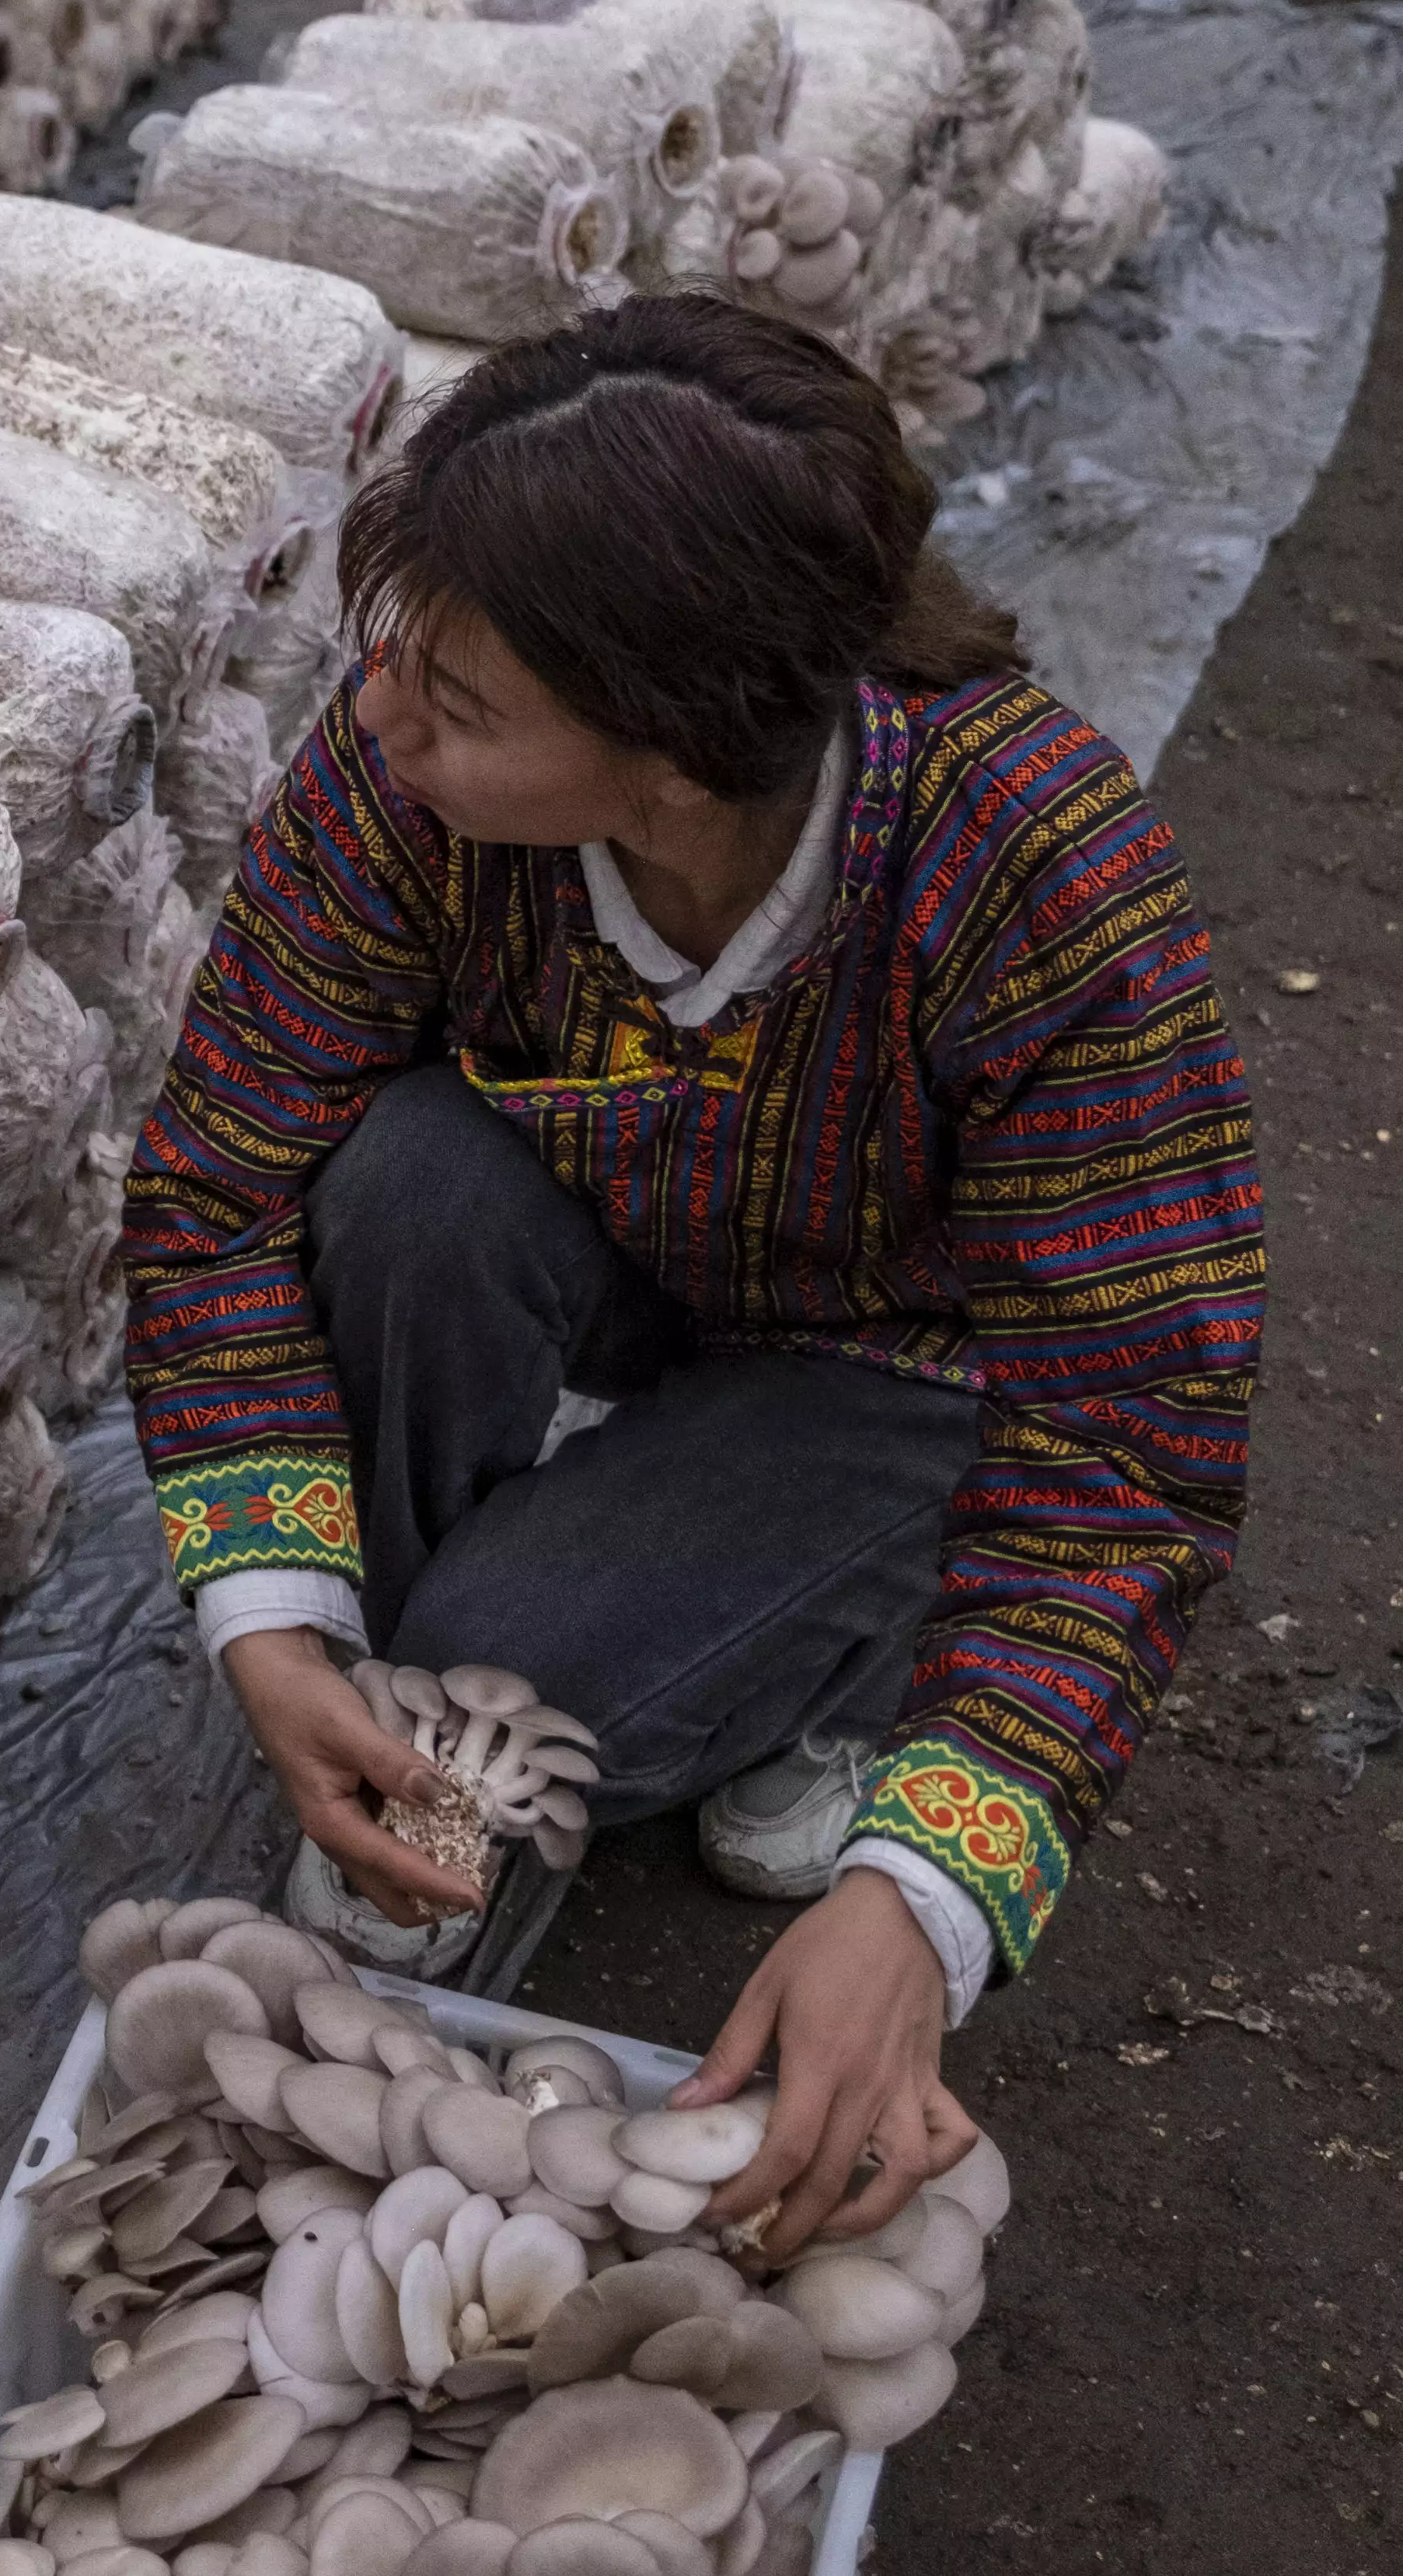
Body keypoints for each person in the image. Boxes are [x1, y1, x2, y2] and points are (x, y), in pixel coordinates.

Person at [121, 299, 1262, 2261]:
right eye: (400, 655)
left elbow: (1126, 1455)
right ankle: (419, 1732)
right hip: (625, 1214)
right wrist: (267, 1612)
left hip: (903, 1361)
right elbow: (218, 1185)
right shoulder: (399, 783)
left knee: (529, 1664)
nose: (385, 722)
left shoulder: (1047, 881)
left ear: (672, 755)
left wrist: (926, 1892)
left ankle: (840, 1664)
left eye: (464, 704)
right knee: (393, 1177)